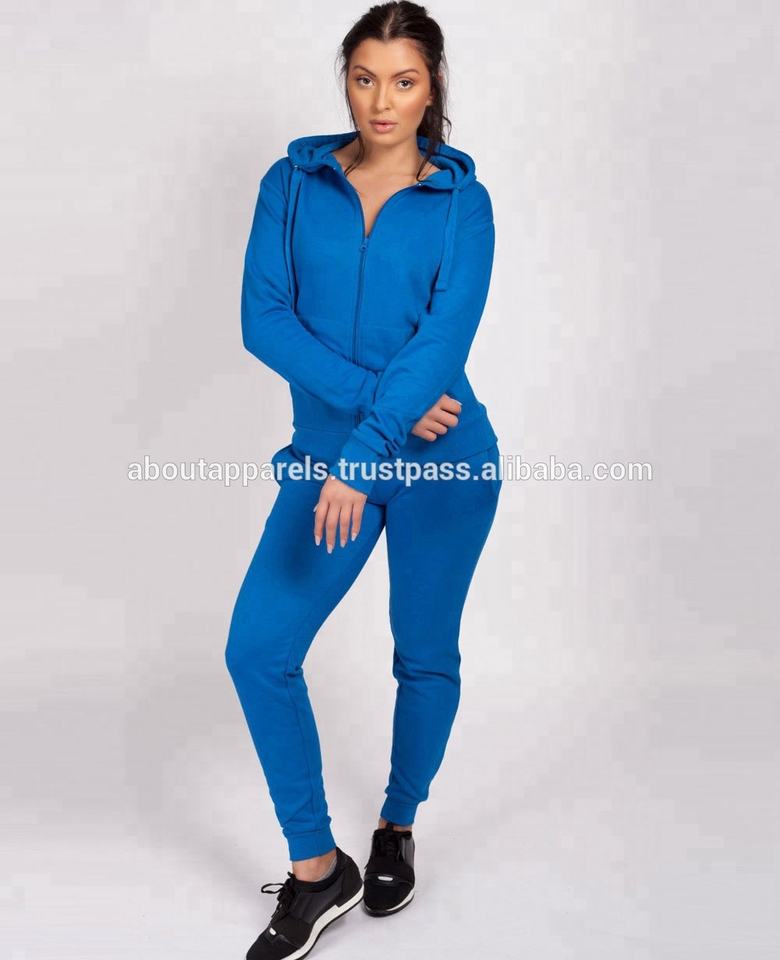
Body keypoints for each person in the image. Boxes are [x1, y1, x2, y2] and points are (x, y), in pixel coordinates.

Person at [225, 3, 502, 957]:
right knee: (258, 650)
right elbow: (264, 320)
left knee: (423, 653)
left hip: (444, 463)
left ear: (433, 87)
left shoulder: (463, 203)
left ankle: (396, 824)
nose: (382, 101)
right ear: (346, 80)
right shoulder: (293, 184)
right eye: (365, 78)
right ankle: (318, 870)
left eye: (405, 80)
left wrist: (373, 439)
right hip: (331, 456)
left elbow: (445, 339)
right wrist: (368, 418)